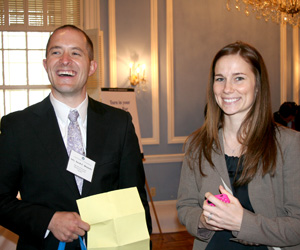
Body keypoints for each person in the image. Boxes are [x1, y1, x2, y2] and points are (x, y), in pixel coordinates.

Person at [0, 25, 152, 250]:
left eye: (75, 53)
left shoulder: (120, 124)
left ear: (92, 67)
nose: (65, 60)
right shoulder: (17, 127)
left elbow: (135, 200)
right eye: (56, 52)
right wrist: (48, 220)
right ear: (45, 64)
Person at [176, 41, 300, 249]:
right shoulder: (197, 145)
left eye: (239, 78)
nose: (227, 89)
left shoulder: (290, 144)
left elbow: (297, 225)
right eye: (220, 79)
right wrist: (203, 222)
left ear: (258, 86)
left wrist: (242, 223)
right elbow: (185, 207)